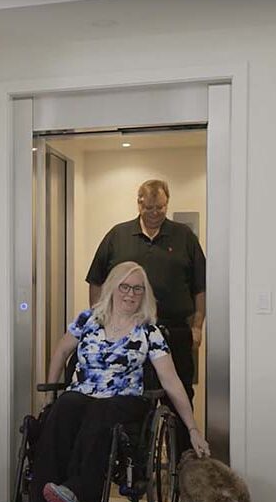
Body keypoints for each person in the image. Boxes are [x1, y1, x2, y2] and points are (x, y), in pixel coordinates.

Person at [28, 261, 209, 502]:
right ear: (112, 287)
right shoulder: (87, 320)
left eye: (138, 289)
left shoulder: (150, 332)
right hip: (84, 394)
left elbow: (171, 382)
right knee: (65, 406)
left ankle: (79, 496)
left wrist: (192, 428)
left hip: (126, 400)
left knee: (102, 411)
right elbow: (61, 352)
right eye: (125, 286)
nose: (131, 294)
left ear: (144, 294)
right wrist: (50, 394)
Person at [86, 179, 205, 461]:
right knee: (133, 397)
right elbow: (96, 280)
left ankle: (185, 464)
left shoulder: (184, 236)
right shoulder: (118, 235)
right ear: (138, 203)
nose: (154, 212)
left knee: (179, 395)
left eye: (160, 207)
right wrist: (100, 316)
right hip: (129, 332)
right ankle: (134, 461)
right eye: (149, 207)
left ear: (168, 203)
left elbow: (200, 286)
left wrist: (198, 325)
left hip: (173, 331)